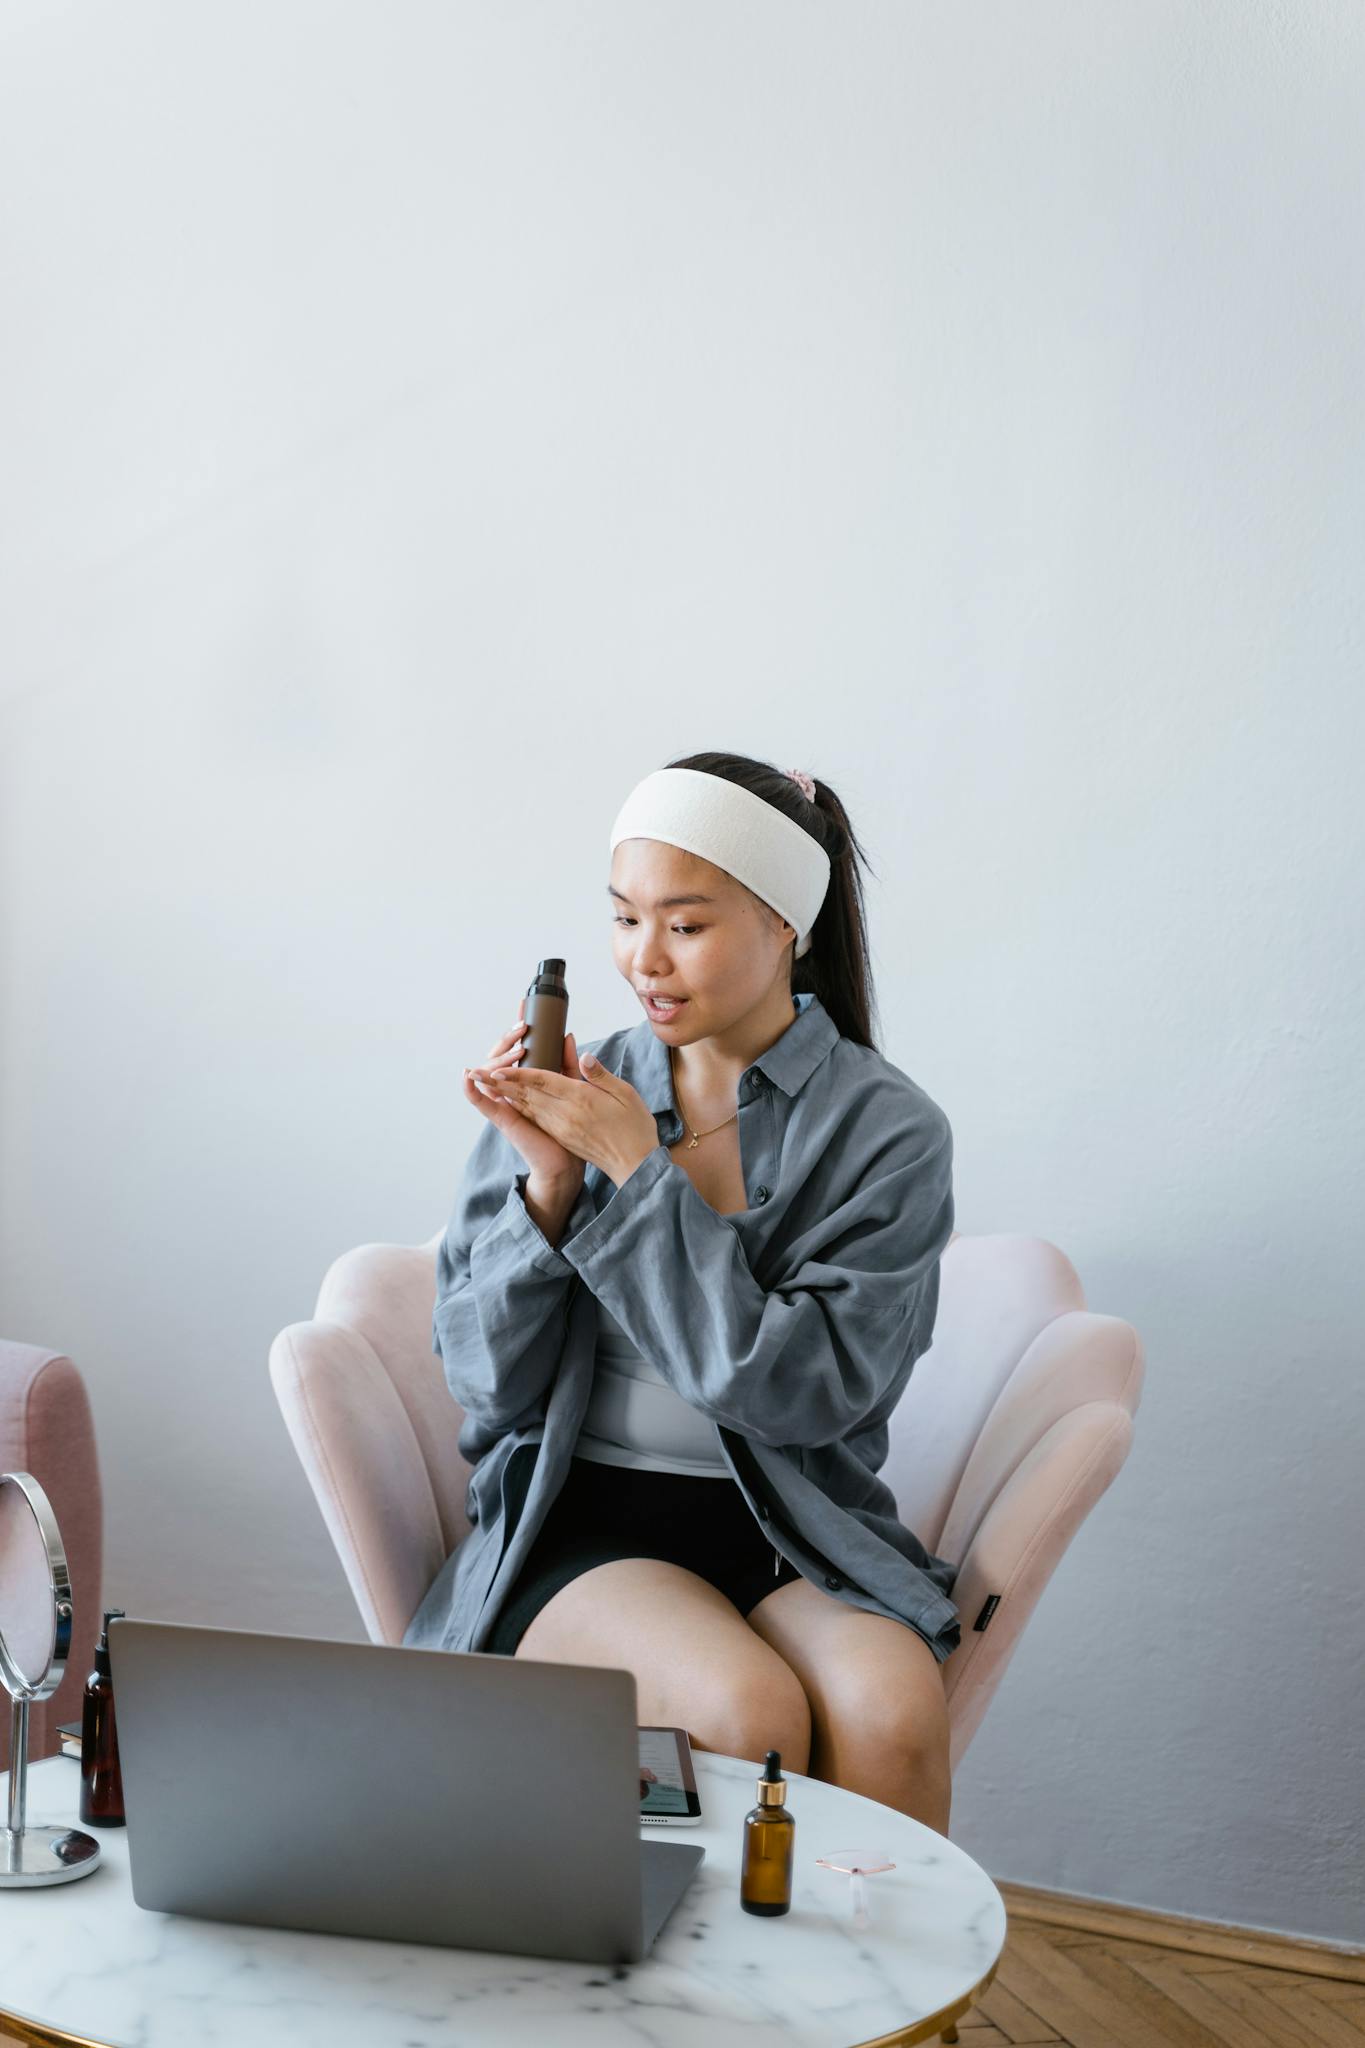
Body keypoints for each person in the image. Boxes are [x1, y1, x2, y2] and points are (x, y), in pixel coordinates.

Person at [403, 753, 959, 1834]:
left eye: (686, 925)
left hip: (794, 1528)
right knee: (741, 1707)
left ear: (785, 925)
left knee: (893, 1712)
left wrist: (638, 1178)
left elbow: (806, 1390)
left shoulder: (889, 1132)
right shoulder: (573, 1090)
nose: (642, 961)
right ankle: (699, 2002)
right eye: (622, 918)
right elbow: (484, 1385)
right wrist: (550, 1189)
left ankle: (877, 2009)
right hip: (582, 1519)